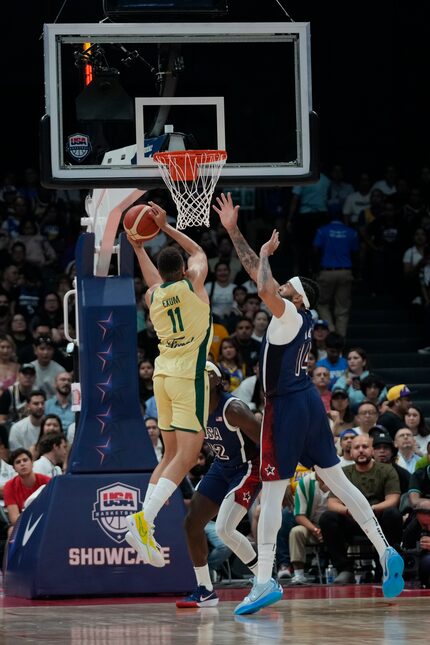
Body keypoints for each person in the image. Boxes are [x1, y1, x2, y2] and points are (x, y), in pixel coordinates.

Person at [213, 191, 404, 614]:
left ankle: (263, 580)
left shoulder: (288, 316)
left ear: (296, 299)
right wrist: (241, 239)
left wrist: (248, 241)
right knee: (339, 482)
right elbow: (263, 279)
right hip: (309, 406)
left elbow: (261, 281)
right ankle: (385, 548)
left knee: (271, 494)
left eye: (285, 289)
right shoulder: (304, 318)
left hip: (286, 408)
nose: (276, 290)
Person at [124, 200, 213, 568]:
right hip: (188, 376)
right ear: (184, 271)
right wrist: (165, 227)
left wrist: (138, 245)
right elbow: (198, 251)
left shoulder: (152, 296)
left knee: (170, 455)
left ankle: (143, 523)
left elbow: (152, 280)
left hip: (162, 375)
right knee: (189, 456)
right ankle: (144, 521)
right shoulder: (193, 287)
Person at [176, 361, 261, 608]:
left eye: (200, 376)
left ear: (215, 381)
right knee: (191, 523)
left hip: (247, 468)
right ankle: (205, 589)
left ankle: (264, 578)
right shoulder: (197, 408)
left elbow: (266, 443)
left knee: (224, 529)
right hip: (220, 467)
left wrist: (281, 481)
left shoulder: (233, 408)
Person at [319, 434, 403, 584]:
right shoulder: (344, 472)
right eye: (356, 448)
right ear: (350, 453)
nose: (361, 450)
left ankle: (384, 567)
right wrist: (349, 510)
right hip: (352, 520)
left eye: (365, 447)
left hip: (378, 518)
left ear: (372, 450)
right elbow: (332, 503)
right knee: (328, 518)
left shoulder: (387, 470)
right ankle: (345, 569)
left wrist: (371, 509)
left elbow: (393, 499)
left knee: (393, 514)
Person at [3, 448, 51, 536]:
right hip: (22, 524)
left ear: (32, 463)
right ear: (14, 468)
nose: (22, 464)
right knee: (11, 531)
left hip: (46, 521)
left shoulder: (48, 482)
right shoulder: (9, 486)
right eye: (18, 462)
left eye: (25, 460)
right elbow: (14, 519)